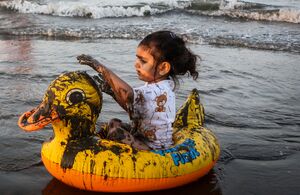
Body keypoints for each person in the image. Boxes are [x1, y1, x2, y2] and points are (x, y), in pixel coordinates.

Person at [77, 30, 199, 150]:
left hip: (155, 147)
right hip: (143, 137)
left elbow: (128, 94)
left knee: (116, 133)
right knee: (114, 123)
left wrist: (101, 68)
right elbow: (133, 109)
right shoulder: (156, 86)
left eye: (143, 61)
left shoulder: (160, 91)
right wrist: (113, 93)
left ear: (163, 68)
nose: (136, 64)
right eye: (137, 59)